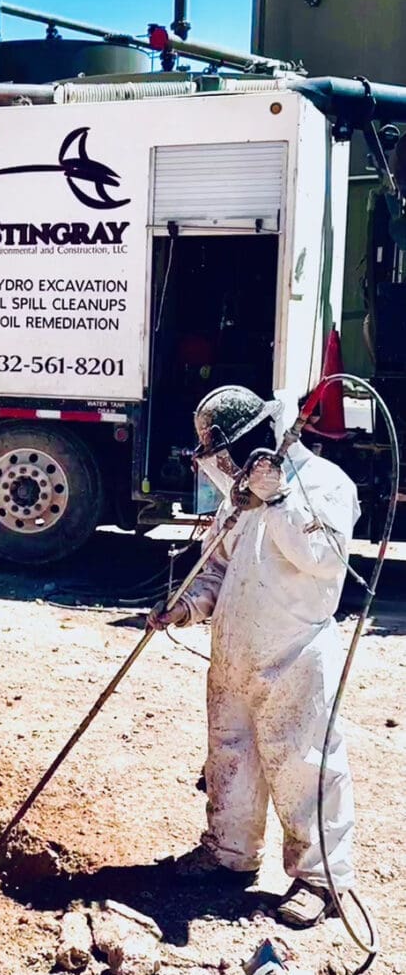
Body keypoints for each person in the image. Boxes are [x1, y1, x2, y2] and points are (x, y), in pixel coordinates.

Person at [148, 385, 360, 928]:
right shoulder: (238, 500)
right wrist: (187, 608)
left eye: (223, 455)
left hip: (295, 657)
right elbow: (216, 569)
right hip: (235, 657)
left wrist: (280, 501)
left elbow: (325, 560)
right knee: (231, 756)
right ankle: (229, 853)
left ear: (255, 441)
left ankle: (319, 878)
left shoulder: (324, 486)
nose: (221, 469)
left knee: (302, 766)